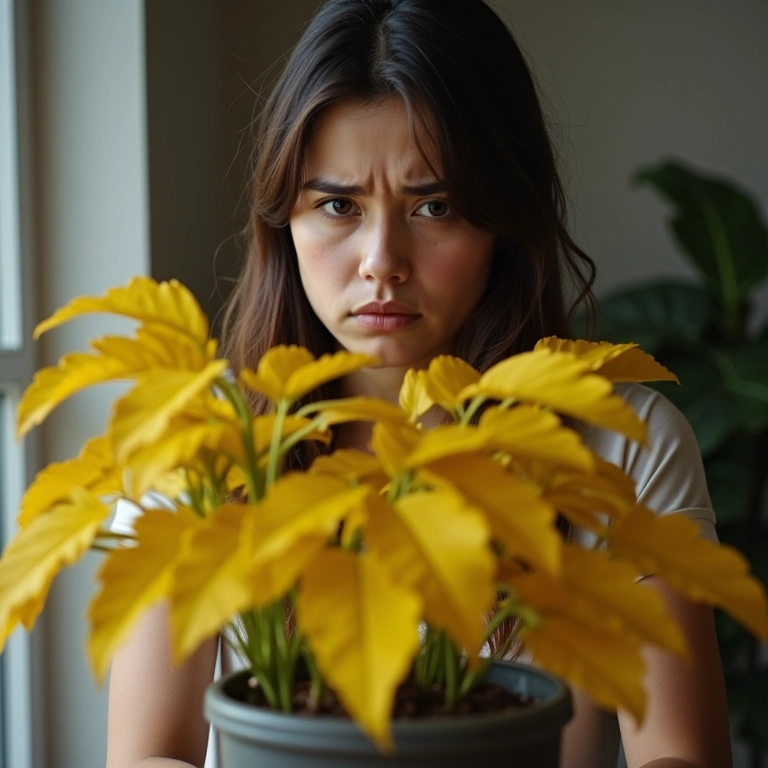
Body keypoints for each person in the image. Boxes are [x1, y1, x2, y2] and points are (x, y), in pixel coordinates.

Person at [106, 1, 733, 766]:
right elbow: (147, 757)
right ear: (284, 222)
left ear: (503, 221)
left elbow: (679, 753)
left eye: (434, 206)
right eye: (338, 205)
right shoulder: (199, 447)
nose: (382, 261)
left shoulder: (623, 441)